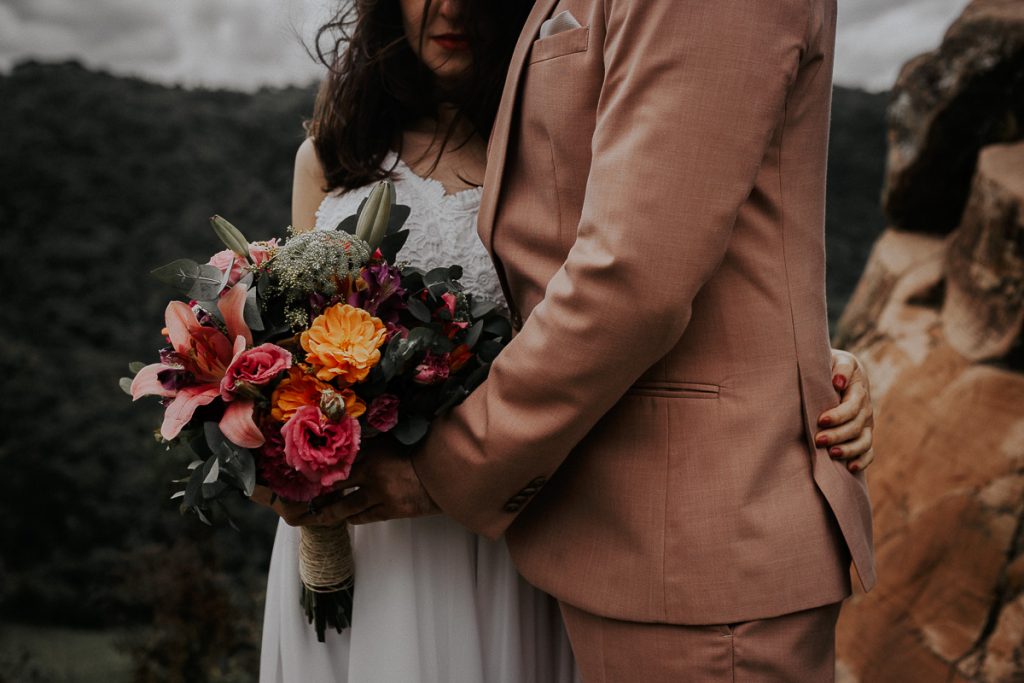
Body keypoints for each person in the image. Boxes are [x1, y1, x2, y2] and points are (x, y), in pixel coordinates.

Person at [259, 1, 877, 681]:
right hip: (446, 517)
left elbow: (636, 272)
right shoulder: (330, 156)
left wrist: (809, 366)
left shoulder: (519, 142)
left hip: (533, 513)